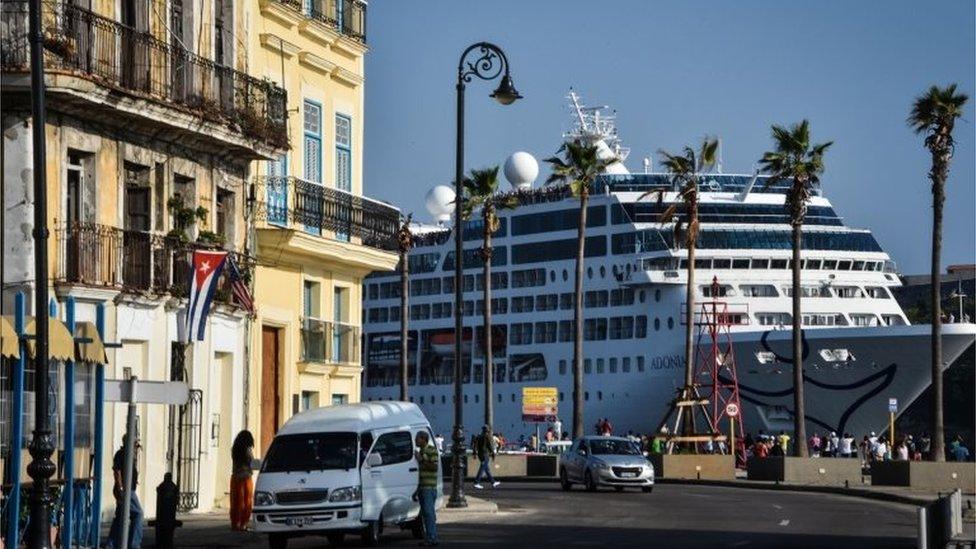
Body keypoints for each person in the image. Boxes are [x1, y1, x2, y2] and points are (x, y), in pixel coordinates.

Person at [106, 434, 144, 549]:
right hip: (126, 491)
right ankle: (134, 544)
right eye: (134, 443)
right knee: (138, 514)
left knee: (120, 517)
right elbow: (117, 471)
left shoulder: (129, 455)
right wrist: (120, 488)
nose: (135, 446)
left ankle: (111, 544)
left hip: (127, 489)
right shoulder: (121, 454)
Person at [414, 431, 440, 547]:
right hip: (422, 487)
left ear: (424, 439)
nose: (415, 440)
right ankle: (431, 536)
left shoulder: (431, 450)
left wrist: (421, 460)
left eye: (417, 438)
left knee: (429, 513)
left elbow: (434, 467)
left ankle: (432, 538)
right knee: (426, 513)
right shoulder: (421, 451)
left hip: (429, 487)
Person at [230, 430, 255, 531]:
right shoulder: (247, 450)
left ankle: (235, 523)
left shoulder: (234, 449)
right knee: (246, 501)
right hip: (246, 477)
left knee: (235, 501)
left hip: (235, 477)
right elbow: (251, 461)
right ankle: (243, 524)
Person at [473, 425, 500, 489]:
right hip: (485, 454)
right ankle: (476, 482)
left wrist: (474, 453)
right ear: (487, 430)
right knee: (482, 468)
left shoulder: (479, 436)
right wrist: (493, 453)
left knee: (486, 469)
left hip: (480, 454)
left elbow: (475, 445)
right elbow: (490, 446)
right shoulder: (487, 436)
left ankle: (493, 482)